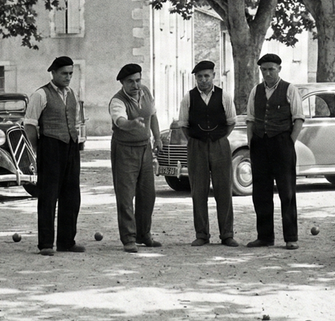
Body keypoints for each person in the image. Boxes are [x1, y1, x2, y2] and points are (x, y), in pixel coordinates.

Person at [173, 60, 238, 247]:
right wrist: (197, 139)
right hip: (197, 146)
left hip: (219, 145)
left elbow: (231, 121)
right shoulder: (188, 98)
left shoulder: (224, 96)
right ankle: (202, 234)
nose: (203, 80)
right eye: (199, 77)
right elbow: (183, 124)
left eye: (206, 76)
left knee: (224, 189)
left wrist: (218, 137)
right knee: (198, 190)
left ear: (213, 76)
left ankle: (227, 234)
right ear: (195, 78)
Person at [23, 56, 83, 256]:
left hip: (71, 147)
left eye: (71, 74)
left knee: (72, 196)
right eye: (64, 73)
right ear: (54, 73)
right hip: (50, 146)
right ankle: (46, 243)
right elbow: (30, 124)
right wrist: (35, 152)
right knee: (48, 196)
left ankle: (67, 241)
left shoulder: (72, 93)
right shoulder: (41, 94)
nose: (68, 77)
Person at [245, 54, 304, 249]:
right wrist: (252, 142)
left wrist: (289, 142)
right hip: (260, 144)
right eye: (264, 70)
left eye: (271, 69)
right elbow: (251, 119)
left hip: (282, 144)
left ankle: (291, 238)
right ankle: (265, 237)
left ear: (279, 69)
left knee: (286, 192)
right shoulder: (256, 91)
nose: (267, 73)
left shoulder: (290, 89)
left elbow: (298, 119)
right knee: (261, 193)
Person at [109, 64, 162, 253]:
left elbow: (153, 115)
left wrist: (157, 138)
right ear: (123, 83)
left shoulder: (146, 92)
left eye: (137, 80)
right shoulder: (117, 101)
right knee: (125, 196)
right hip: (124, 150)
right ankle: (129, 238)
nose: (135, 84)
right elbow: (119, 121)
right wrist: (131, 124)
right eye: (130, 81)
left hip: (145, 148)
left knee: (148, 194)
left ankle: (144, 234)